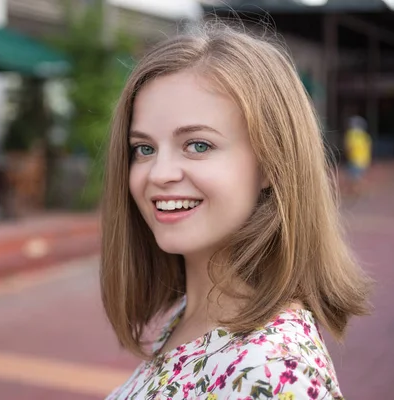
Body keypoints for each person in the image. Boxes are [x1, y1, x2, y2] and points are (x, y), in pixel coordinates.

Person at [100, 23, 372, 400]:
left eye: (197, 145)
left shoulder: (271, 370)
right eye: (144, 149)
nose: (159, 174)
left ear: (269, 163)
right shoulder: (193, 314)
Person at [344, 116, 372, 196]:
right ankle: (357, 191)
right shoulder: (365, 136)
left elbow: (349, 147)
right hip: (363, 160)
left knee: (354, 178)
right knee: (357, 177)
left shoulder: (352, 134)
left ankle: (355, 192)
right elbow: (368, 148)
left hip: (354, 159)